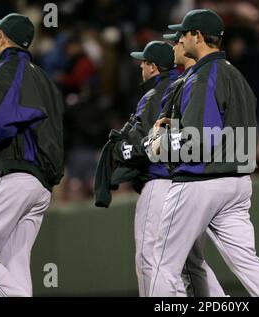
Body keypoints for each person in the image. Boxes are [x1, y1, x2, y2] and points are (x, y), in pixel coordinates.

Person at [147, 9, 259, 297]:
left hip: (200, 181)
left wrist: (161, 143)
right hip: (237, 183)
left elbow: (198, 139)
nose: (180, 41)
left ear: (197, 36)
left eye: (183, 34)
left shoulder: (202, 77)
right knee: (248, 262)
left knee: (162, 261)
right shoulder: (236, 75)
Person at [95, 40, 224, 296]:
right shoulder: (187, 84)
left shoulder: (156, 94)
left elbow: (145, 145)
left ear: (152, 67)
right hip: (189, 183)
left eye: (143, 63)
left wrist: (123, 149)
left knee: (150, 257)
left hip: (160, 181)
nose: (141, 67)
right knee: (190, 262)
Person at [0, 13, 64, 297]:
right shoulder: (43, 77)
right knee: (13, 264)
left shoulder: (8, 67)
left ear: (2, 37)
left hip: (14, 173)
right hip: (40, 184)